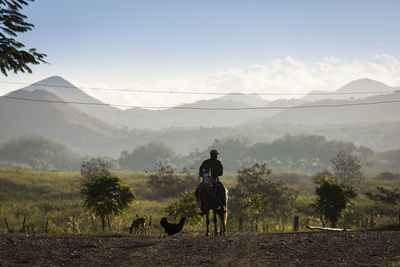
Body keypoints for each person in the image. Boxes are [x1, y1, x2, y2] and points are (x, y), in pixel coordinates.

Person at [195, 149, 227, 214]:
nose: (216, 156)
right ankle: (201, 206)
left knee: (222, 189)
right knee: (197, 191)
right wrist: (203, 174)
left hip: (215, 180)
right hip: (206, 180)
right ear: (213, 155)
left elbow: (221, 172)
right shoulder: (205, 162)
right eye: (215, 155)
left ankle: (222, 205)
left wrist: (214, 174)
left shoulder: (218, 163)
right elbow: (200, 171)